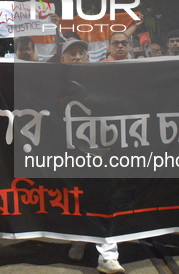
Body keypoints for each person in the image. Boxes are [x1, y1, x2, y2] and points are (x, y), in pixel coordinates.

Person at [60, 40, 125, 273]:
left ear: (88, 57)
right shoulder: (53, 81)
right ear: (62, 59)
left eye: (81, 53)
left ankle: (108, 255)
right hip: (66, 154)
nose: (77, 57)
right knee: (76, 199)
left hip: (99, 152)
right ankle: (79, 239)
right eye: (72, 54)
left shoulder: (103, 78)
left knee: (103, 198)